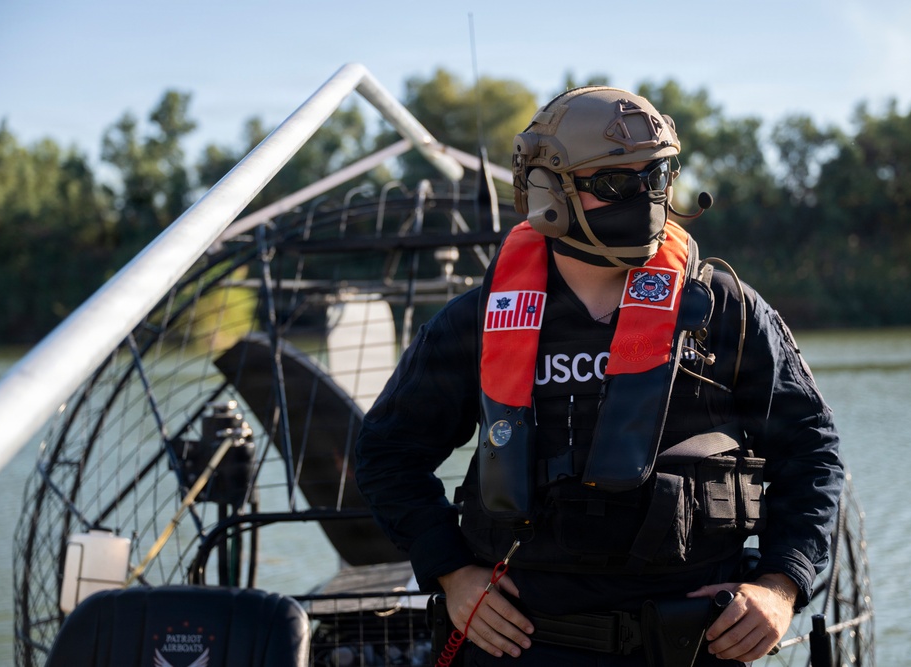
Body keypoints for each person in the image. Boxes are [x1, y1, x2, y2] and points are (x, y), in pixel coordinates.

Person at [355, 86, 843, 666]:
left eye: (657, 176)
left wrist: (779, 586)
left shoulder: (724, 311)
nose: (646, 197)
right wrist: (453, 573)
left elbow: (813, 452)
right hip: (521, 649)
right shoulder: (478, 321)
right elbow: (387, 453)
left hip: (692, 647)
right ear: (547, 192)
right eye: (615, 184)